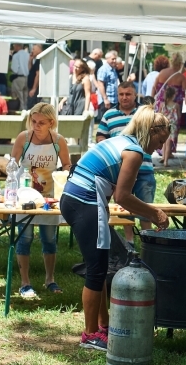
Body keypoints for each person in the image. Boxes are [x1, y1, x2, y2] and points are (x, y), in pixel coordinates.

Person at [60, 106, 170, 351]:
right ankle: (90, 335)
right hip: (86, 201)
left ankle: (103, 326)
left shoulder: (121, 141)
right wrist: (155, 212)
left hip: (74, 198)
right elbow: (122, 196)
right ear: (150, 132)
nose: (160, 147)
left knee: (97, 266)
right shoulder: (133, 152)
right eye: (160, 140)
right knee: (97, 269)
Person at [9, 102, 71, 298]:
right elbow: (11, 165)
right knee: (24, 238)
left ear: (51, 122)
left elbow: (68, 164)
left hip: (49, 197)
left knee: (49, 239)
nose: (36, 125)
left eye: (41, 122)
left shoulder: (58, 141)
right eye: (33, 121)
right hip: (26, 195)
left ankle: (50, 279)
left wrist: (65, 174)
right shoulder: (24, 138)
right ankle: (25, 283)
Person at [95, 50, 120, 122]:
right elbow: (101, 84)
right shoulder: (103, 69)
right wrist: (105, 99)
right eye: (113, 59)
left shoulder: (113, 69)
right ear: (107, 59)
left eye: (115, 59)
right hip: (106, 101)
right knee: (106, 122)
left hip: (113, 100)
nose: (114, 61)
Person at [160, 86, 180, 167]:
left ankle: (163, 157)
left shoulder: (162, 104)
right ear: (173, 95)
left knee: (164, 144)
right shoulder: (176, 105)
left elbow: (159, 114)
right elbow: (178, 116)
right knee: (169, 145)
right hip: (172, 126)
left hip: (163, 125)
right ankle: (166, 161)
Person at [10, 44, 30, 111]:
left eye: (14, 45)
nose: (14, 47)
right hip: (27, 77)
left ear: (17, 46)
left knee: (18, 96)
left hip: (19, 77)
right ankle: (25, 109)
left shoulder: (16, 56)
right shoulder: (28, 55)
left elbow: (14, 68)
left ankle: (21, 110)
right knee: (25, 96)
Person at [27, 44, 43, 109]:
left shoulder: (39, 60)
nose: (32, 51)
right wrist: (30, 60)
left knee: (31, 105)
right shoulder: (36, 60)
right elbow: (31, 70)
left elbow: (38, 74)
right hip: (31, 87)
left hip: (35, 88)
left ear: (38, 50)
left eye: (34, 49)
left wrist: (34, 89)